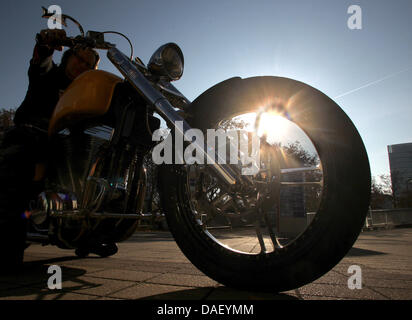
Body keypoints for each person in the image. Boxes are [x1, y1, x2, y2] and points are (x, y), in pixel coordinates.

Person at [0, 29, 116, 272]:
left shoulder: (86, 93)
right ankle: (10, 241)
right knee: (18, 167)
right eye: (79, 58)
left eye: (88, 64)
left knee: (90, 171)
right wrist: (46, 43)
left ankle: (85, 230)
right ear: (68, 57)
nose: (82, 65)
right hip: (30, 135)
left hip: (61, 147)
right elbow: (40, 62)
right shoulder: (49, 75)